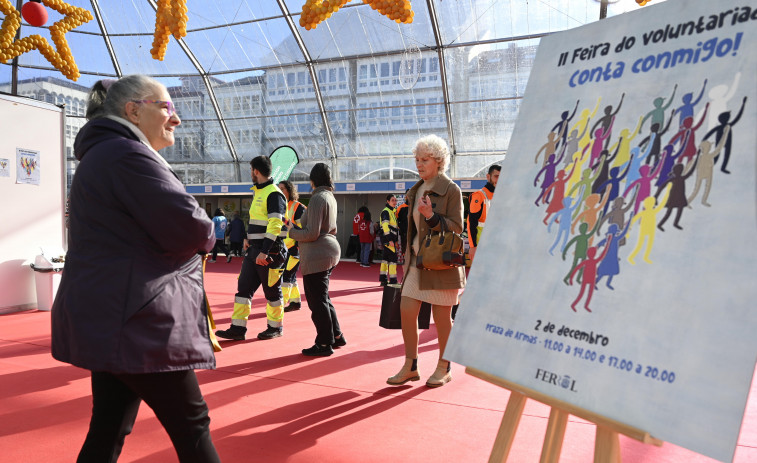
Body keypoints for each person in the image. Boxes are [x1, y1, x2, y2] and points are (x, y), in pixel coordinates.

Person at [50, 75, 220, 462]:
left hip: (112, 316)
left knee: (108, 427)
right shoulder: (128, 155)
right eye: (167, 107)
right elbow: (193, 227)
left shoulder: (102, 154)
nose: (175, 119)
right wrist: (209, 232)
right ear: (133, 110)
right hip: (140, 319)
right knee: (192, 425)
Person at [387, 134, 465, 388]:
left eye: (425, 160)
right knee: (407, 311)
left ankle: (444, 366)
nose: (419, 164)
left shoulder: (452, 190)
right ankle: (411, 365)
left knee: (442, 317)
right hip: (416, 262)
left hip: (441, 263)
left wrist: (431, 216)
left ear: (439, 161)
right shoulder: (417, 188)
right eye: (417, 159)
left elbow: (456, 227)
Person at [215, 155, 288, 341]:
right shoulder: (259, 191)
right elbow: (257, 220)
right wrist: (247, 238)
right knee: (243, 289)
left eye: (251, 170)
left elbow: (275, 224)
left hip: (269, 252)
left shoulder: (274, 193)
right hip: (253, 250)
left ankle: (275, 327)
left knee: (272, 291)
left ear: (256, 171)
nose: (250, 174)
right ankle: (238, 329)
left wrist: (265, 250)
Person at [286, 163, 345, 356]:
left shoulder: (318, 198)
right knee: (323, 297)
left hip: (317, 254)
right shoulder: (329, 196)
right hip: (328, 250)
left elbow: (312, 233)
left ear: (313, 180)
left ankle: (324, 343)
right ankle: (336, 336)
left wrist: (291, 232)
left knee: (317, 301)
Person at [279, 180, 306, 312]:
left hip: (294, 248)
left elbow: (305, 230)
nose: (280, 191)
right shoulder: (279, 206)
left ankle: (280, 304)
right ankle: (295, 302)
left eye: (283, 189)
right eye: (279, 189)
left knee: (286, 276)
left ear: (290, 190)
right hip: (282, 248)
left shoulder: (298, 207)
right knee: (291, 276)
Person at [466, 164, 500, 261]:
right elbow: (471, 222)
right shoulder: (479, 196)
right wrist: (472, 247)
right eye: (496, 176)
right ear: (488, 177)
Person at [379, 194, 399, 286]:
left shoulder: (391, 212)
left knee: (385, 260)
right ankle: (393, 280)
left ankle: (383, 279)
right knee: (393, 260)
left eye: (395, 200)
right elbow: (385, 227)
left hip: (388, 239)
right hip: (387, 239)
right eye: (392, 200)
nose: (395, 202)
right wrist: (390, 240)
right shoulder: (386, 212)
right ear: (388, 201)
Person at [396, 190, 410, 255]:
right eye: (408, 194)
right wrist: (400, 227)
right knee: (404, 245)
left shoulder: (415, 206)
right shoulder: (401, 207)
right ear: (406, 196)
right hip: (404, 231)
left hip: (414, 231)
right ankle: (405, 259)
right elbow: (396, 219)